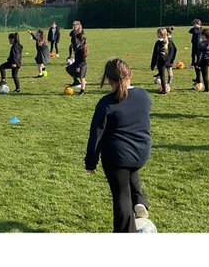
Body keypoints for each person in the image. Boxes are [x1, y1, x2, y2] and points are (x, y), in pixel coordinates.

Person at [85, 58, 153, 233]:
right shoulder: (144, 95)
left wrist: (91, 163)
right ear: (130, 74)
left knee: (122, 195)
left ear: (109, 80)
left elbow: (96, 135)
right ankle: (140, 200)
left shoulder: (106, 103)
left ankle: (125, 233)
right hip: (141, 153)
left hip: (118, 157)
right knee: (130, 170)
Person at [67, 21, 89, 93]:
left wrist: (78, 66)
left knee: (82, 77)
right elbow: (70, 34)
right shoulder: (78, 47)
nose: (75, 40)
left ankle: (82, 91)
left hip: (81, 64)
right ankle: (76, 81)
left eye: (76, 39)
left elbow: (82, 58)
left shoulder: (81, 48)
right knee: (68, 69)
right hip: (77, 63)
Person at [151, 28, 173, 94]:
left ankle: (164, 90)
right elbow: (174, 50)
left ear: (160, 34)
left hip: (161, 61)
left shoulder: (158, 42)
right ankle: (166, 85)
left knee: (162, 76)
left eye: (157, 33)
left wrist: (153, 64)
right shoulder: (170, 41)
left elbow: (155, 54)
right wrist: (170, 59)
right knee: (165, 73)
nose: (156, 34)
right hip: (167, 61)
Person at [196, 27, 209, 92]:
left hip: (204, 60)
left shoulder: (202, 43)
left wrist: (198, 63)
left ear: (203, 35)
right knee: (202, 71)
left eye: (201, 34)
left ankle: (207, 89)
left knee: (205, 75)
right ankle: (197, 79)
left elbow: (199, 55)